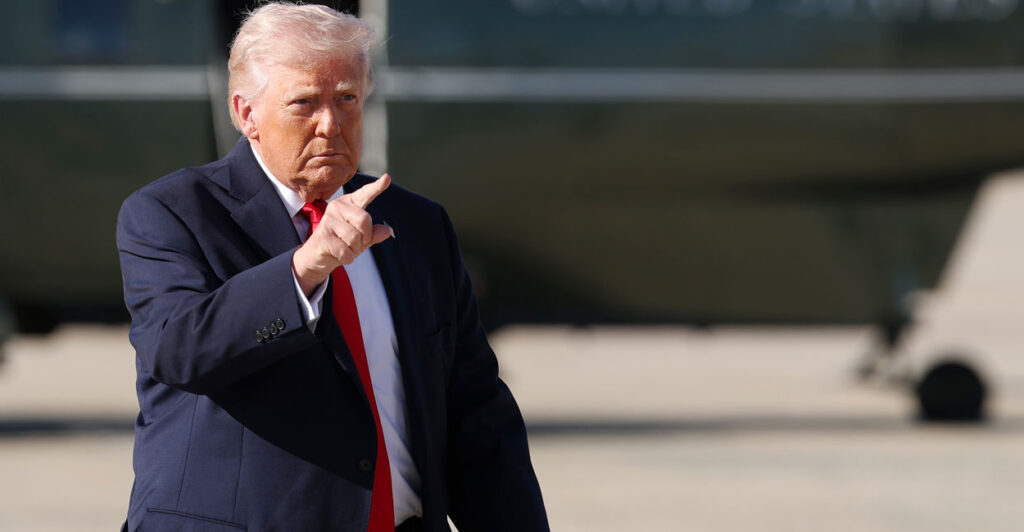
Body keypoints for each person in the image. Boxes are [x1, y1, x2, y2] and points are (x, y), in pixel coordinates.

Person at [115, 3, 548, 531]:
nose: (330, 125)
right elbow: (179, 350)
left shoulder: (417, 224)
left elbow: (476, 413)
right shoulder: (172, 213)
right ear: (246, 113)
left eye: (347, 99)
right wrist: (302, 271)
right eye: (304, 103)